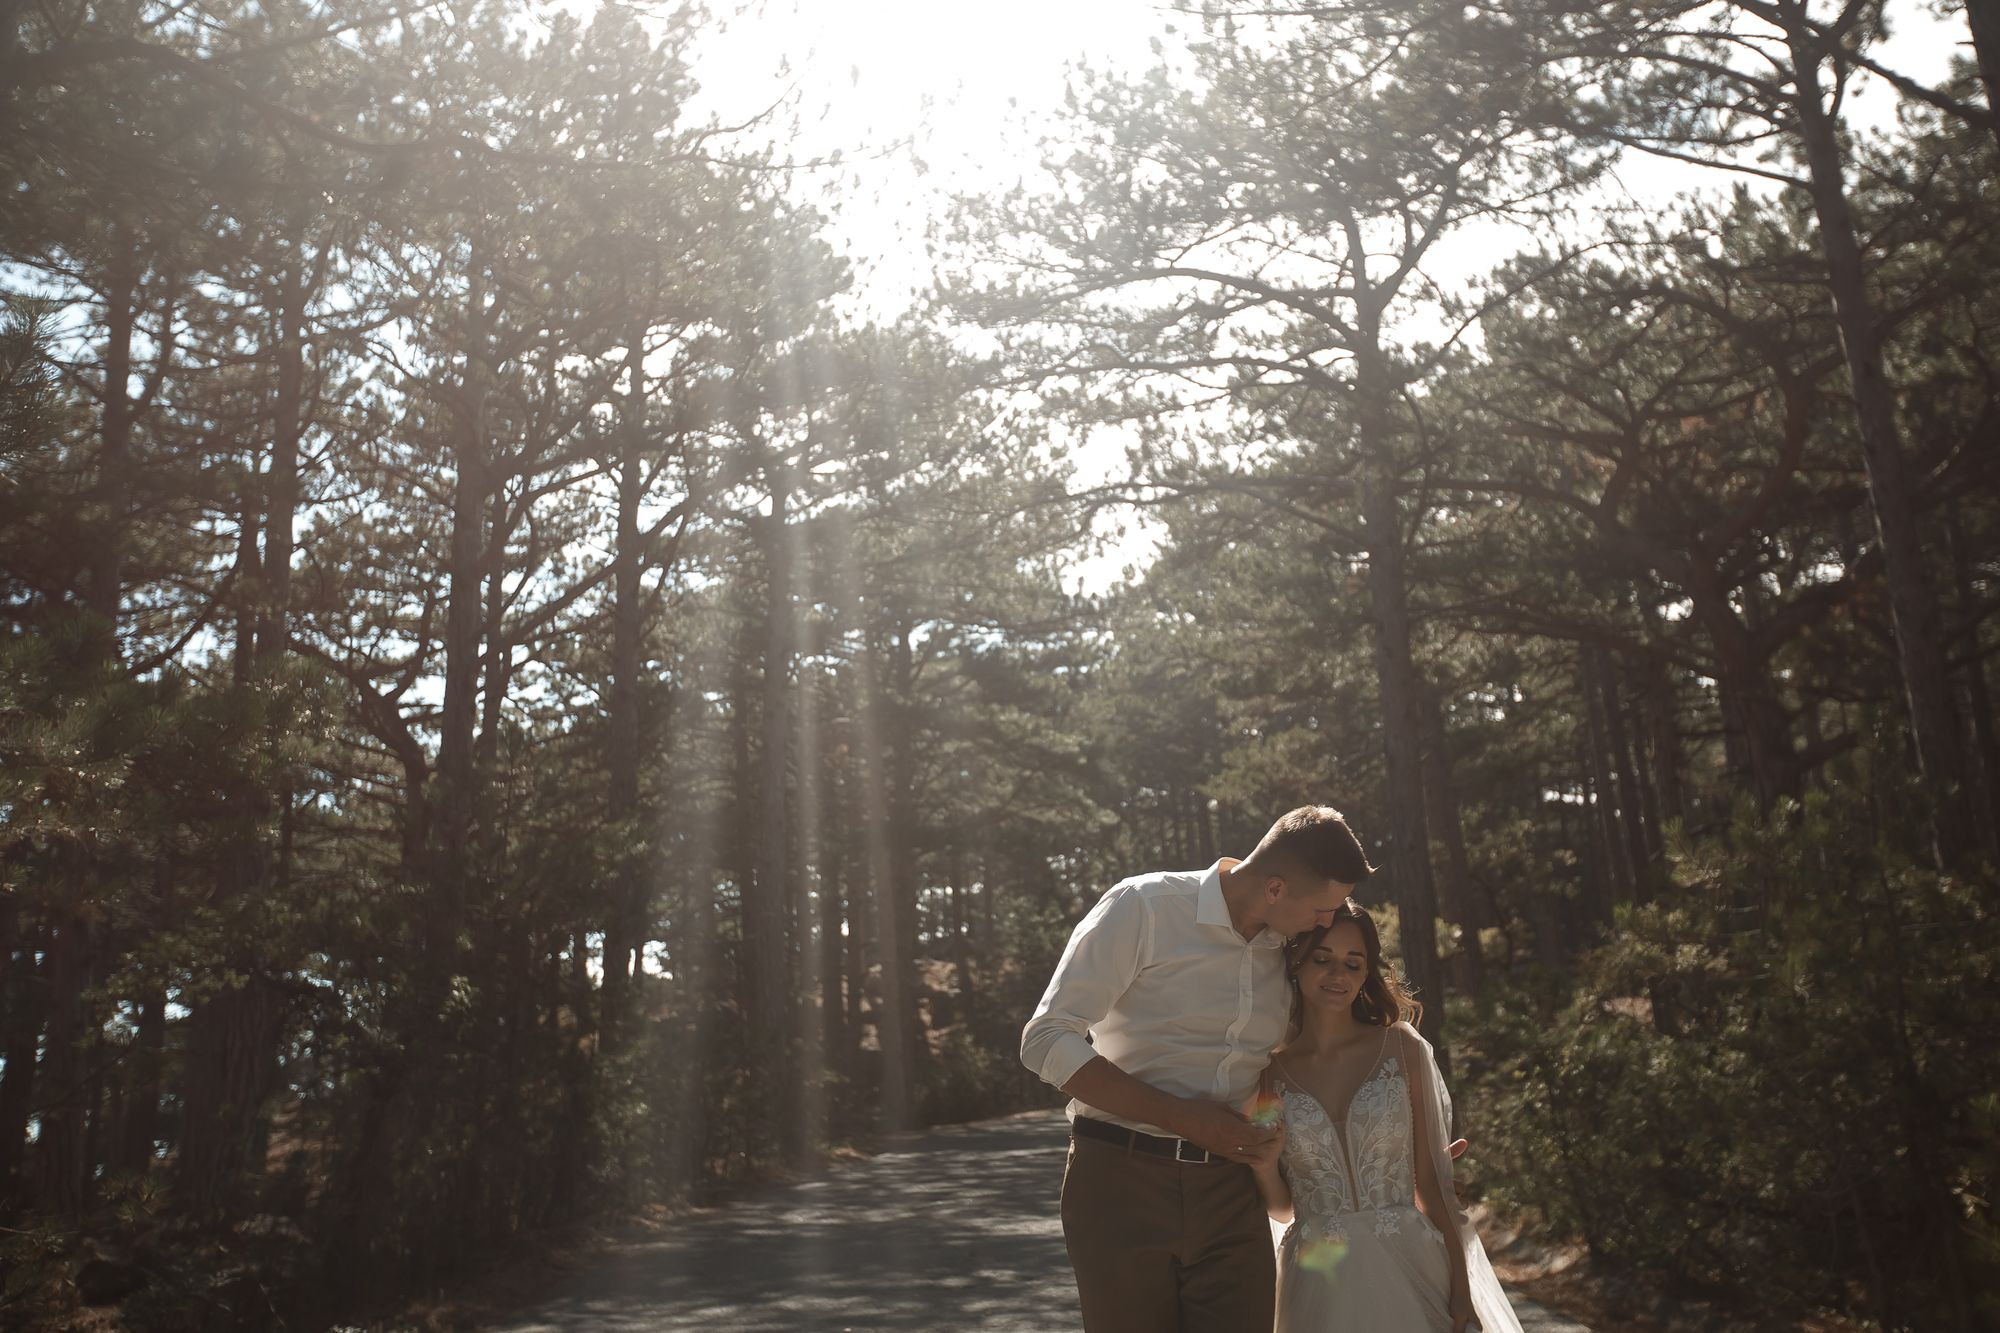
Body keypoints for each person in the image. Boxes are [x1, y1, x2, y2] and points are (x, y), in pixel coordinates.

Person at [1020, 806, 1372, 1333]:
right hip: (1120, 1182)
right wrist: (1184, 1118)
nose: (1328, 922)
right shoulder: (1145, 906)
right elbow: (1045, 1039)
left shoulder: (1295, 950)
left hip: (1233, 1191)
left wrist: (1410, 1167)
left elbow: (1325, 1052)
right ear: (1275, 888)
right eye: (1323, 908)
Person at [1250, 898, 1520, 1333]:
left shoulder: (1403, 1050)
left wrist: (1461, 1289)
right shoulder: (1268, 1074)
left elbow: (1433, 1189)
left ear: (1366, 974)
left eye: (1353, 964)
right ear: (1296, 962)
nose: (1338, 974)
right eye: (1322, 958)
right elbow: (1283, 1210)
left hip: (1412, 1266)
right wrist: (1264, 1168)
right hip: (1319, 1282)